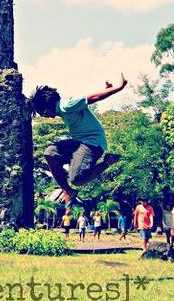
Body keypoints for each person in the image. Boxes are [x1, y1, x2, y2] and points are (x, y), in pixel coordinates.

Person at [28, 74, 128, 205]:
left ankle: (108, 162)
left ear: (47, 109)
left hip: (93, 143)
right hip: (78, 142)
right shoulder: (62, 109)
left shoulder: (66, 105)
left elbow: (93, 97)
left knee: (77, 179)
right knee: (50, 153)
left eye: (43, 114)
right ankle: (68, 191)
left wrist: (118, 88)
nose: (46, 117)